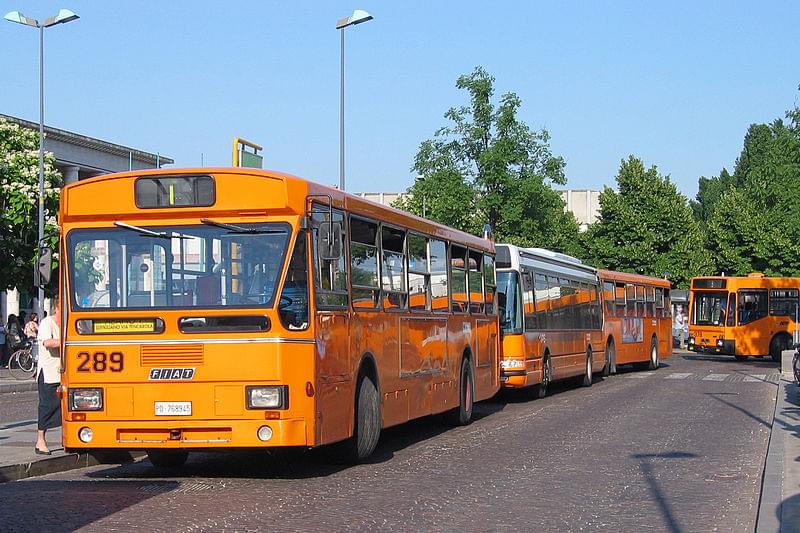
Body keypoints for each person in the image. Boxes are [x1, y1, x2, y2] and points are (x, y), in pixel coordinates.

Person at [36, 299, 61, 455]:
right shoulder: (47, 323)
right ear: (57, 308)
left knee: (64, 406)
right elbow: (47, 342)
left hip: (64, 372)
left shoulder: (68, 322)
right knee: (47, 406)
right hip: (49, 373)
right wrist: (65, 340)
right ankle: (40, 440)